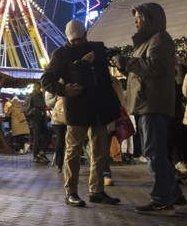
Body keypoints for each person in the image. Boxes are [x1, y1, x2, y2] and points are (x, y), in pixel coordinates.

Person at [112, 3, 187, 215]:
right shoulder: (148, 42)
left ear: (150, 18)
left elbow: (157, 68)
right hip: (147, 103)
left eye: (139, 17)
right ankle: (173, 196)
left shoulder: (160, 39)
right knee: (153, 152)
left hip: (153, 104)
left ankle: (163, 198)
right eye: (135, 17)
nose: (135, 21)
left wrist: (127, 62)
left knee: (154, 153)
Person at [41, 19, 121, 208]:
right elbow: (45, 79)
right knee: (73, 151)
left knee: (100, 151)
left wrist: (97, 54)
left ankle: (97, 190)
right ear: (68, 39)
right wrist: (64, 89)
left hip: (99, 108)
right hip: (77, 109)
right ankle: (71, 191)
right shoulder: (60, 55)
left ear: (86, 35)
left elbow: (114, 52)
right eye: (74, 40)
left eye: (81, 38)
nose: (78, 42)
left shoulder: (97, 47)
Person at [28, 82, 51, 164]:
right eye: (43, 87)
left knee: (47, 134)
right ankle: (36, 156)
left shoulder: (38, 94)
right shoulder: (35, 95)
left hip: (39, 119)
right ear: (39, 87)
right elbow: (43, 105)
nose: (44, 89)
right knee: (37, 137)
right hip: (36, 119)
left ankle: (41, 151)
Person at [45, 90, 66, 173]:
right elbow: (48, 103)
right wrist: (57, 98)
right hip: (58, 119)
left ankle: (72, 165)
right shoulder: (52, 88)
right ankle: (59, 164)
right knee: (60, 142)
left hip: (71, 118)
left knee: (73, 142)